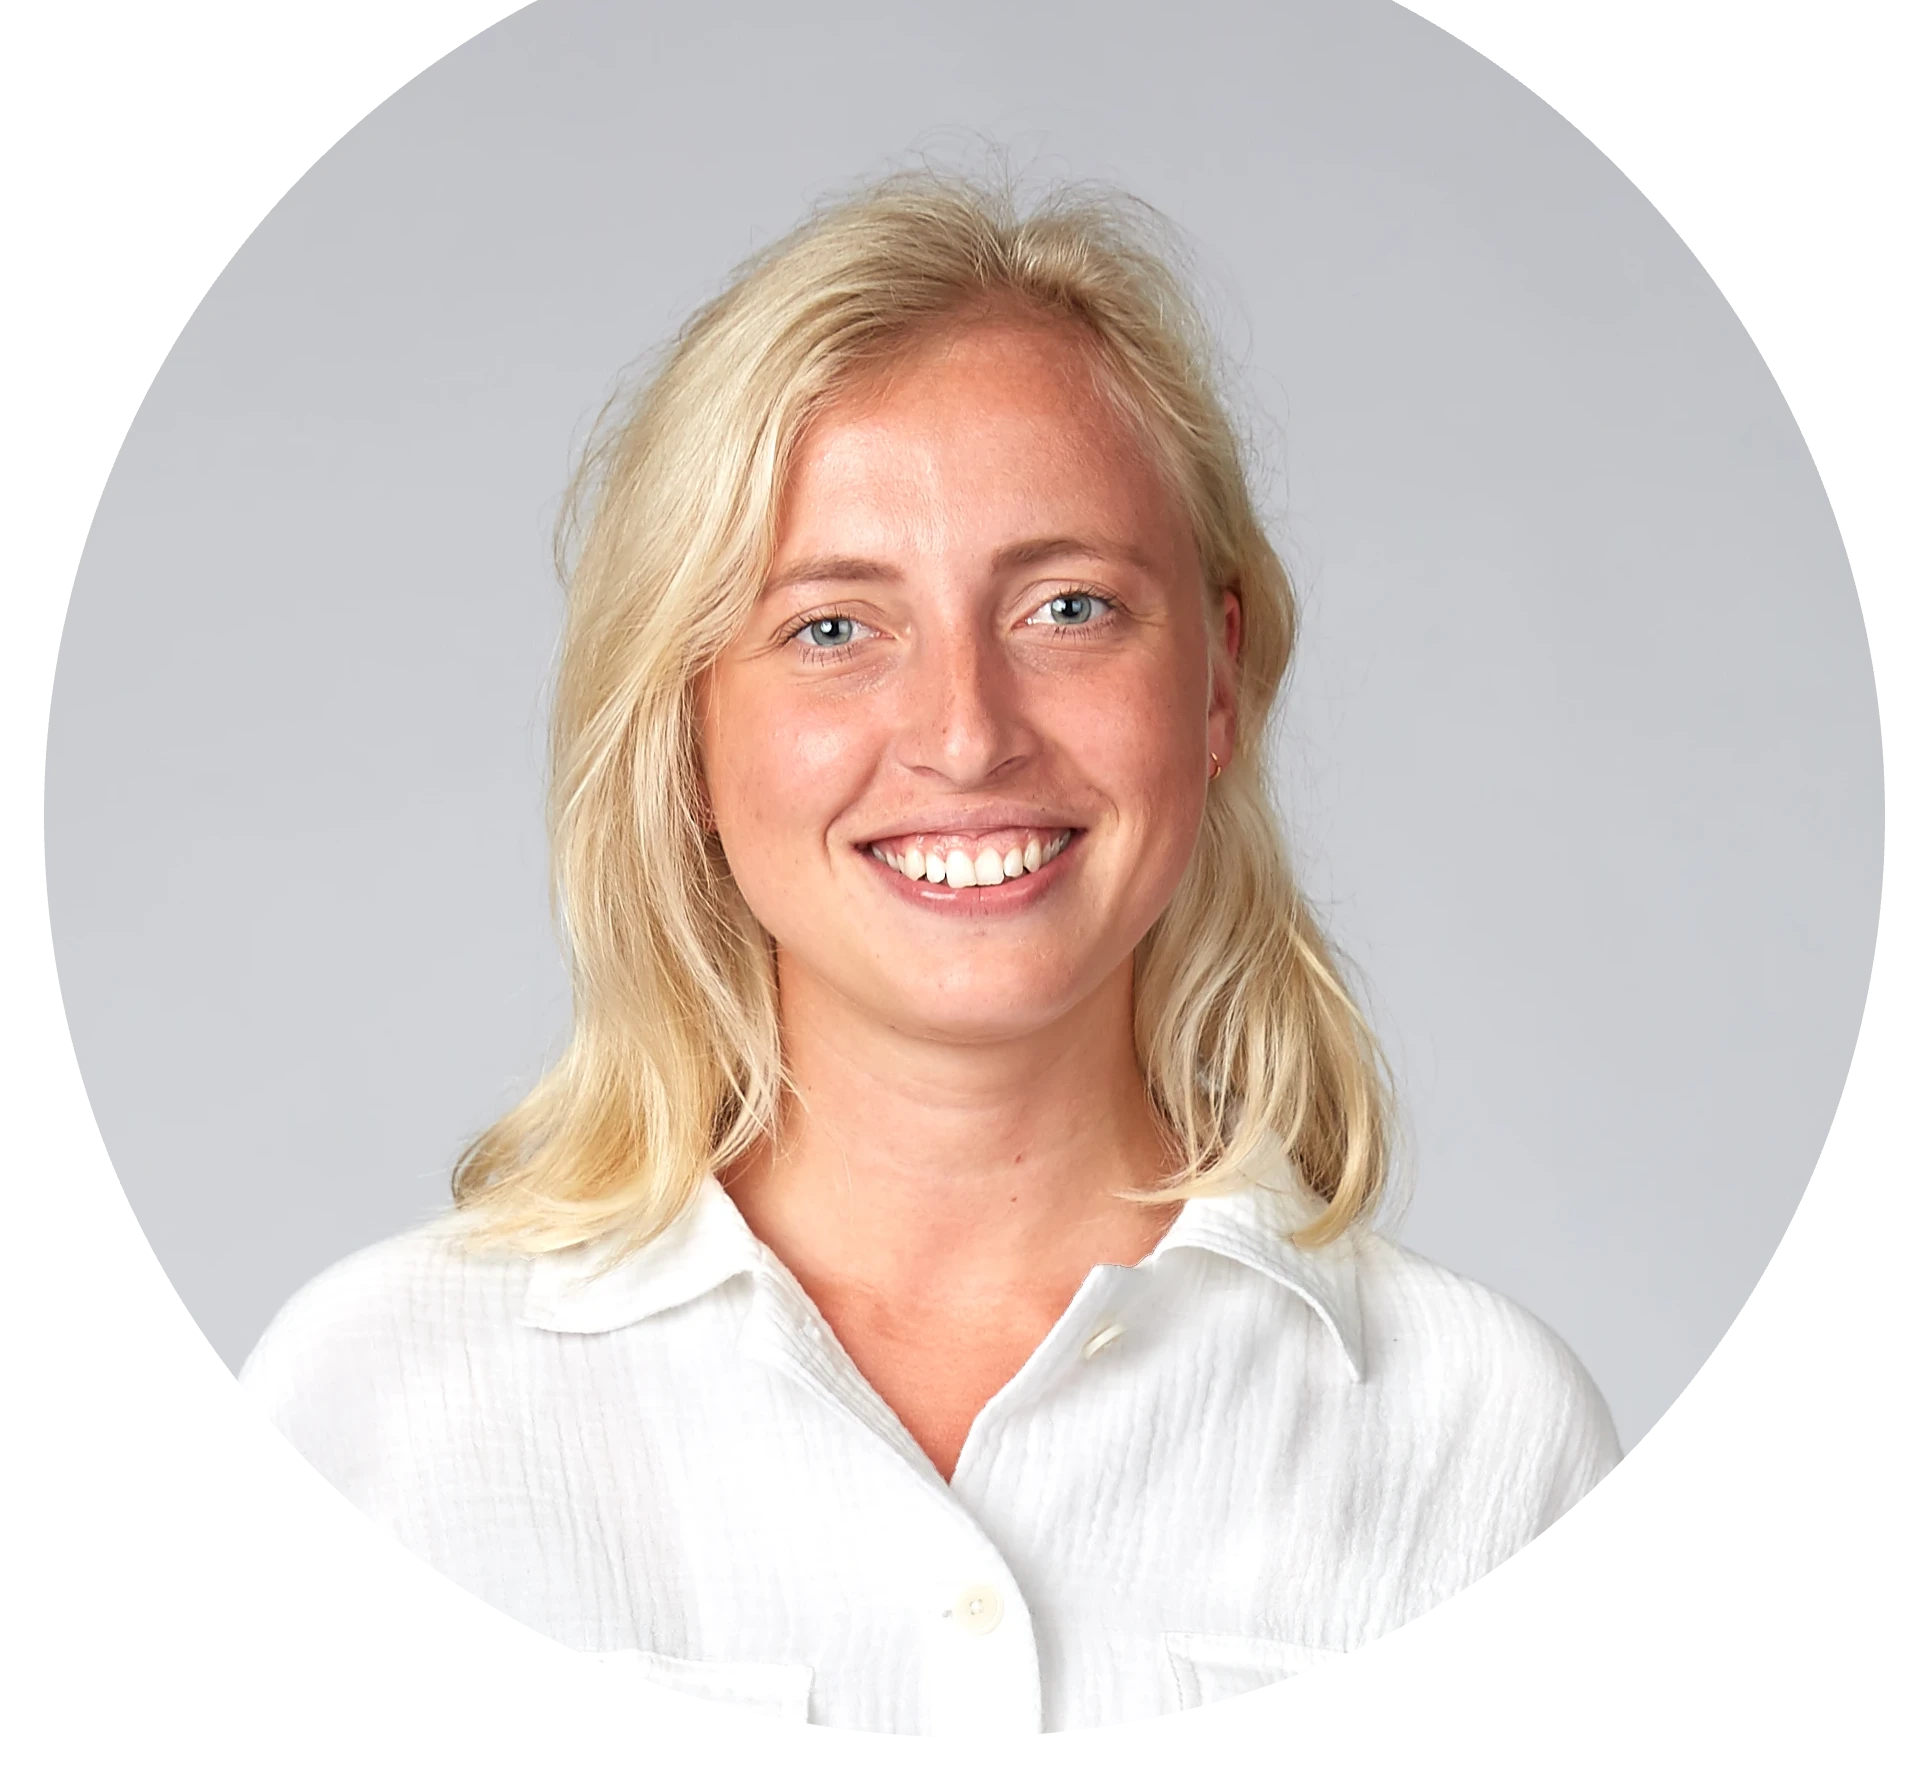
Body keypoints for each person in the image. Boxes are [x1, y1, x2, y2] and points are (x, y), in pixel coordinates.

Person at [239, 168, 1622, 1737]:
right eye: (834, 628)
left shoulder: (1483, 1443)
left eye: (1069, 608)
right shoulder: (379, 1418)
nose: (966, 735)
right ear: (688, 724)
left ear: (1217, 680)